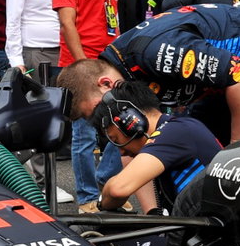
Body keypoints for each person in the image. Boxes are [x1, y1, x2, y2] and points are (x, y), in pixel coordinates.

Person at [58, 0, 240, 144]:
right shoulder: (123, 76)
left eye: (99, 108)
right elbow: (139, 149)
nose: (104, 116)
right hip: (222, 83)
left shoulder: (152, 53)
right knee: (199, 145)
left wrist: (238, 149)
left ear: (106, 84)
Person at [54, 0, 124, 209]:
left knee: (119, 129)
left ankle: (106, 185)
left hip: (110, 61)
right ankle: (86, 197)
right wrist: (84, 66)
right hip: (80, 64)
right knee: (84, 137)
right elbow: (67, 24)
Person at [94, 81, 223, 214]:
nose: (121, 151)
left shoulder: (174, 132)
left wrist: (102, 204)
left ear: (131, 122)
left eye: (116, 140)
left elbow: (117, 189)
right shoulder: (175, 128)